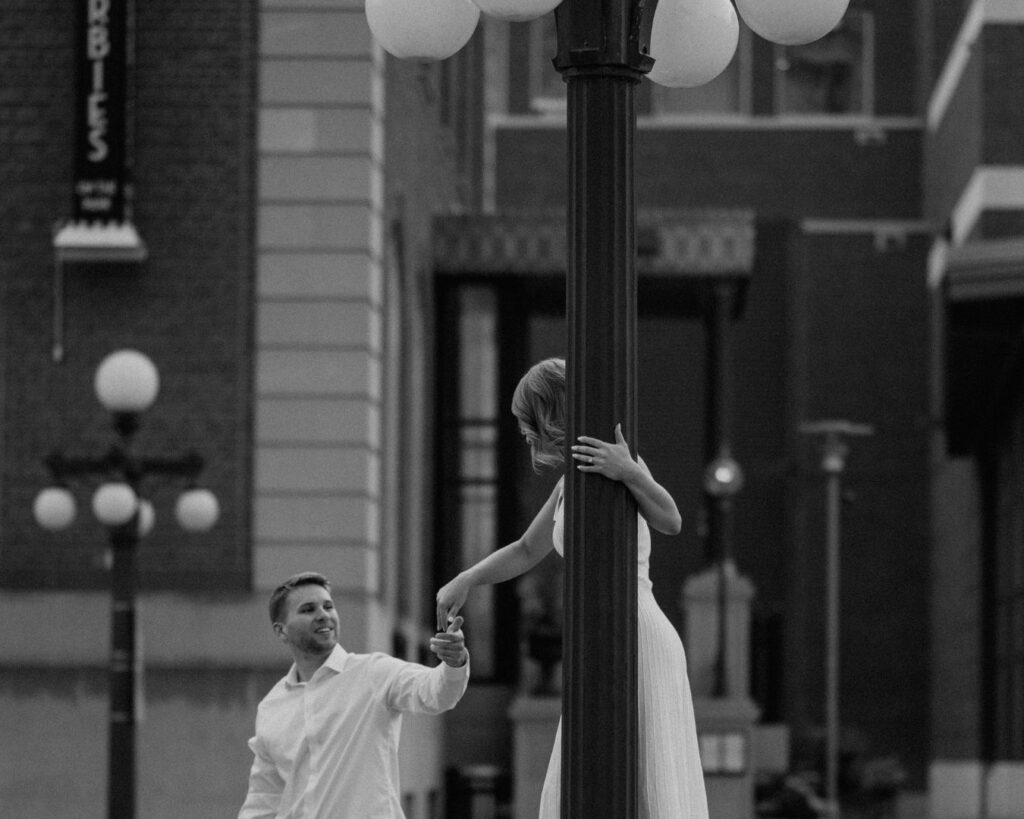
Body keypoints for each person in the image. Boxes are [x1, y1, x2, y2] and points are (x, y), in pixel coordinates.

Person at [436, 357, 708, 818]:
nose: (523, 431)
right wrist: (467, 578)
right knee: (585, 773)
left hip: (638, 628)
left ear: (547, 414)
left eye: (527, 419)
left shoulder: (615, 458)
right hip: (597, 632)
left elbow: (672, 520)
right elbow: (526, 549)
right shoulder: (569, 483)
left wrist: (629, 471)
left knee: (649, 777)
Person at [238, 571, 470, 819]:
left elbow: (436, 692)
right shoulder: (272, 706)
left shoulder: (374, 673)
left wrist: (454, 663)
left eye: (328, 606)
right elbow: (264, 798)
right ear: (281, 631)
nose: (323, 615)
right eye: (308, 609)